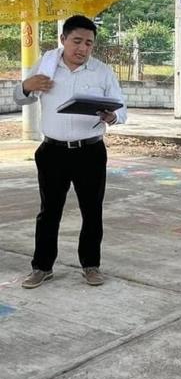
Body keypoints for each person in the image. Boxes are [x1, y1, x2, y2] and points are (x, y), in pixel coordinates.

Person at [14, 15, 127, 288]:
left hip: (90, 151)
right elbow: (20, 97)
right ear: (63, 39)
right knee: (49, 212)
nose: (83, 49)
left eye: (89, 43)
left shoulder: (101, 71)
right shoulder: (47, 65)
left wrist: (112, 117)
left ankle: (91, 265)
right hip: (52, 151)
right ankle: (42, 267)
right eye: (77, 41)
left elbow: (121, 109)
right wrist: (27, 86)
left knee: (92, 210)